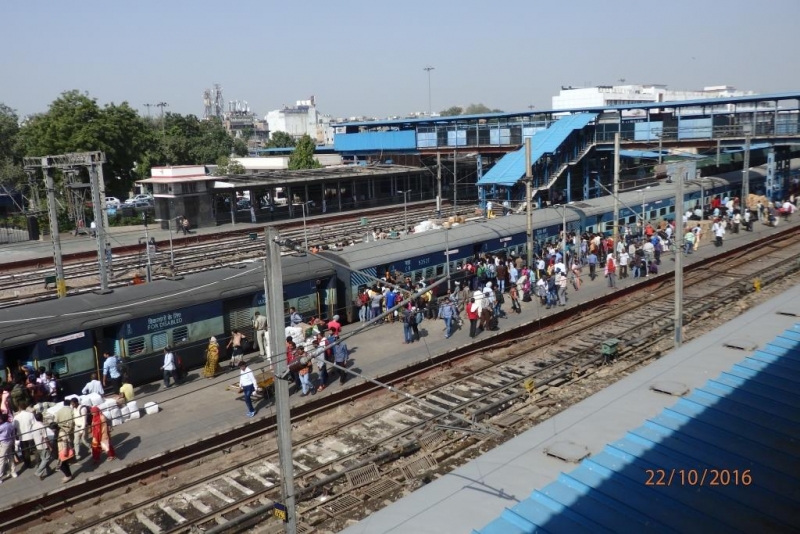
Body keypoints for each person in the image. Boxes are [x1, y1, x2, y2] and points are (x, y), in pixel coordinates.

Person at [54, 401, 74, 483]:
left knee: (62, 465)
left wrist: (65, 450)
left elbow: (65, 441)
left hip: (63, 449)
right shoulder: (71, 411)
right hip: (69, 430)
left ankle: (68, 476)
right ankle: (68, 475)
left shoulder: (58, 412)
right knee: (63, 463)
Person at [13, 401, 36, 469]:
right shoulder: (30, 414)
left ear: (19, 408)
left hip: (22, 436)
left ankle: (28, 464)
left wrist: (16, 436)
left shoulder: (16, 417)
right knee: (34, 449)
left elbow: (14, 428)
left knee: (25, 451)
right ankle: (38, 461)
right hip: (31, 434)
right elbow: (34, 424)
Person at [31, 411, 52, 480]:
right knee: (46, 459)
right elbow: (45, 437)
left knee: (43, 459)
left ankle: (48, 470)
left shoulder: (33, 426)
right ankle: (38, 472)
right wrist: (50, 446)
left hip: (38, 445)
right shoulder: (41, 426)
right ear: (41, 418)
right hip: (43, 445)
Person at [0, 413, 16, 482]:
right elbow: (13, 434)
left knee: (2, 460)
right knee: (10, 457)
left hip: (3, 443)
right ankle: (13, 472)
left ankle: (0, 476)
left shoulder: (1, 427)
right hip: (10, 441)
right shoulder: (10, 425)